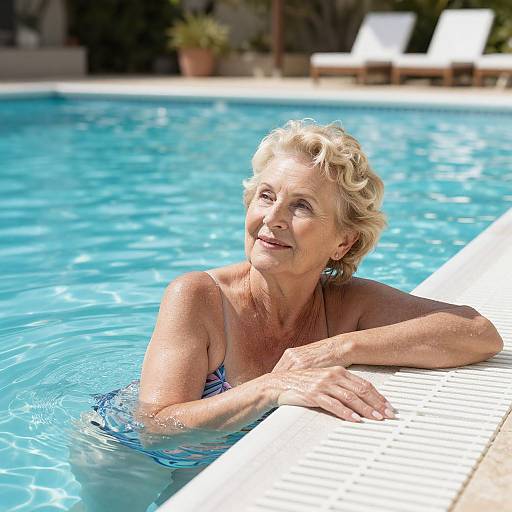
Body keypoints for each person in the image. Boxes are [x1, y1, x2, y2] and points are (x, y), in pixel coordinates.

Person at [69, 119, 503, 511]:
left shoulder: (346, 305)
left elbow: (478, 333)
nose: (271, 218)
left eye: (301, 206)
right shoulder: (198, 296)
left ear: (343, 243)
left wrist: (340, 347)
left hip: (218, 444)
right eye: (266, 195)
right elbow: (157, 426)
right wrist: (273, 386)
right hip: (123, 448)